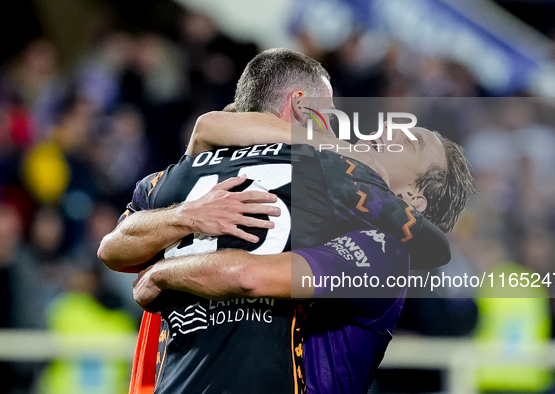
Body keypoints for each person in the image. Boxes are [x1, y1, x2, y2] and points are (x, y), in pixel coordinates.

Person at [99, 48, 475, 393]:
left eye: (409, 142)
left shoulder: (382, 249)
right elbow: (213, 127)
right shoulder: (306, 188)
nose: (386, 131)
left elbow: (246, 276)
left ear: (413, 198)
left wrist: (163, 272)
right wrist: (185, 215)